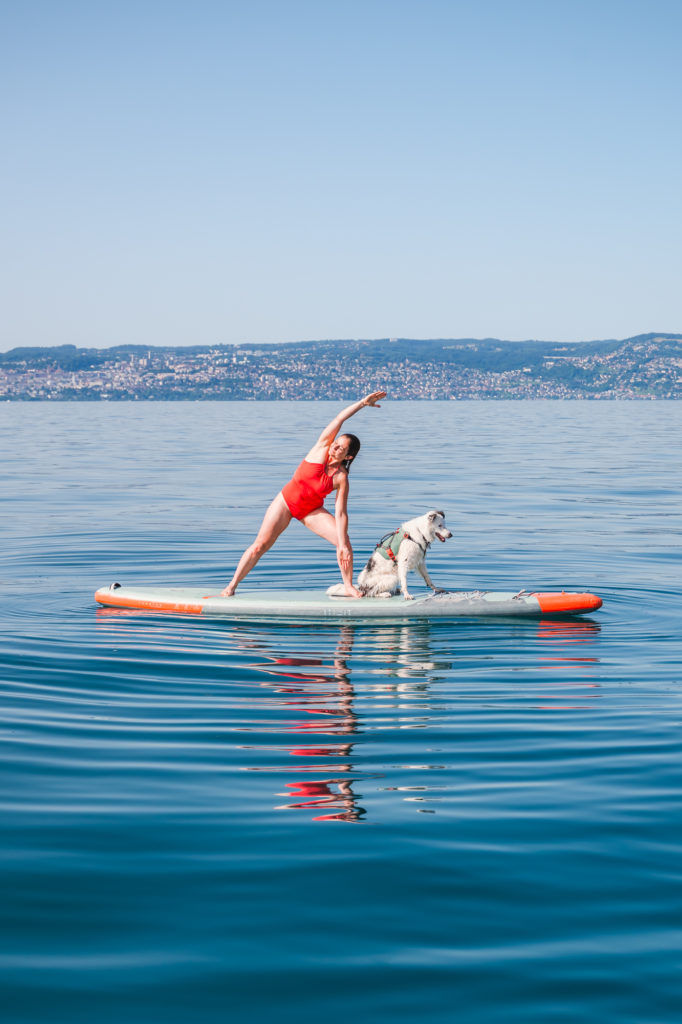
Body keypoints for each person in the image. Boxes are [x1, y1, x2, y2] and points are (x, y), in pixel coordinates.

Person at [220, 391, 386, 597]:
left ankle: (348, 587)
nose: (334, 447)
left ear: (348, 456)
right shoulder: (321, 448)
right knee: (260, 546)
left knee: (343, 540)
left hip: (311, 510)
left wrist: (343, 544)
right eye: (336, 443)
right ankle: (231, 587)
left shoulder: (341, 478)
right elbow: (339, 419)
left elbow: (341, 513)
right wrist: (362, 403)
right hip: (285, 502)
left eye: (340, 448)